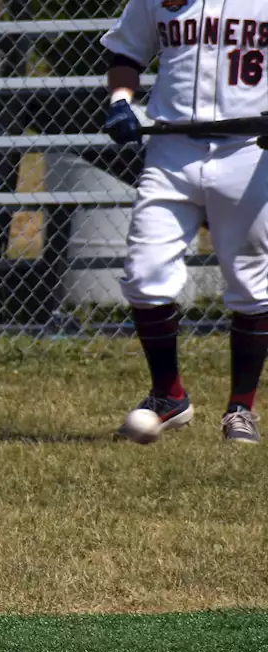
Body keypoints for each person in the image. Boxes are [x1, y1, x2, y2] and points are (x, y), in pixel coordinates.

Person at [102, 0, 268, 445]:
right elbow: (126, 53)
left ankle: (241, 409)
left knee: (252, 284)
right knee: (144, 274)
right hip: (172, 150)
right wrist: (121, 102)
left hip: (250, 149)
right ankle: (169, 396)